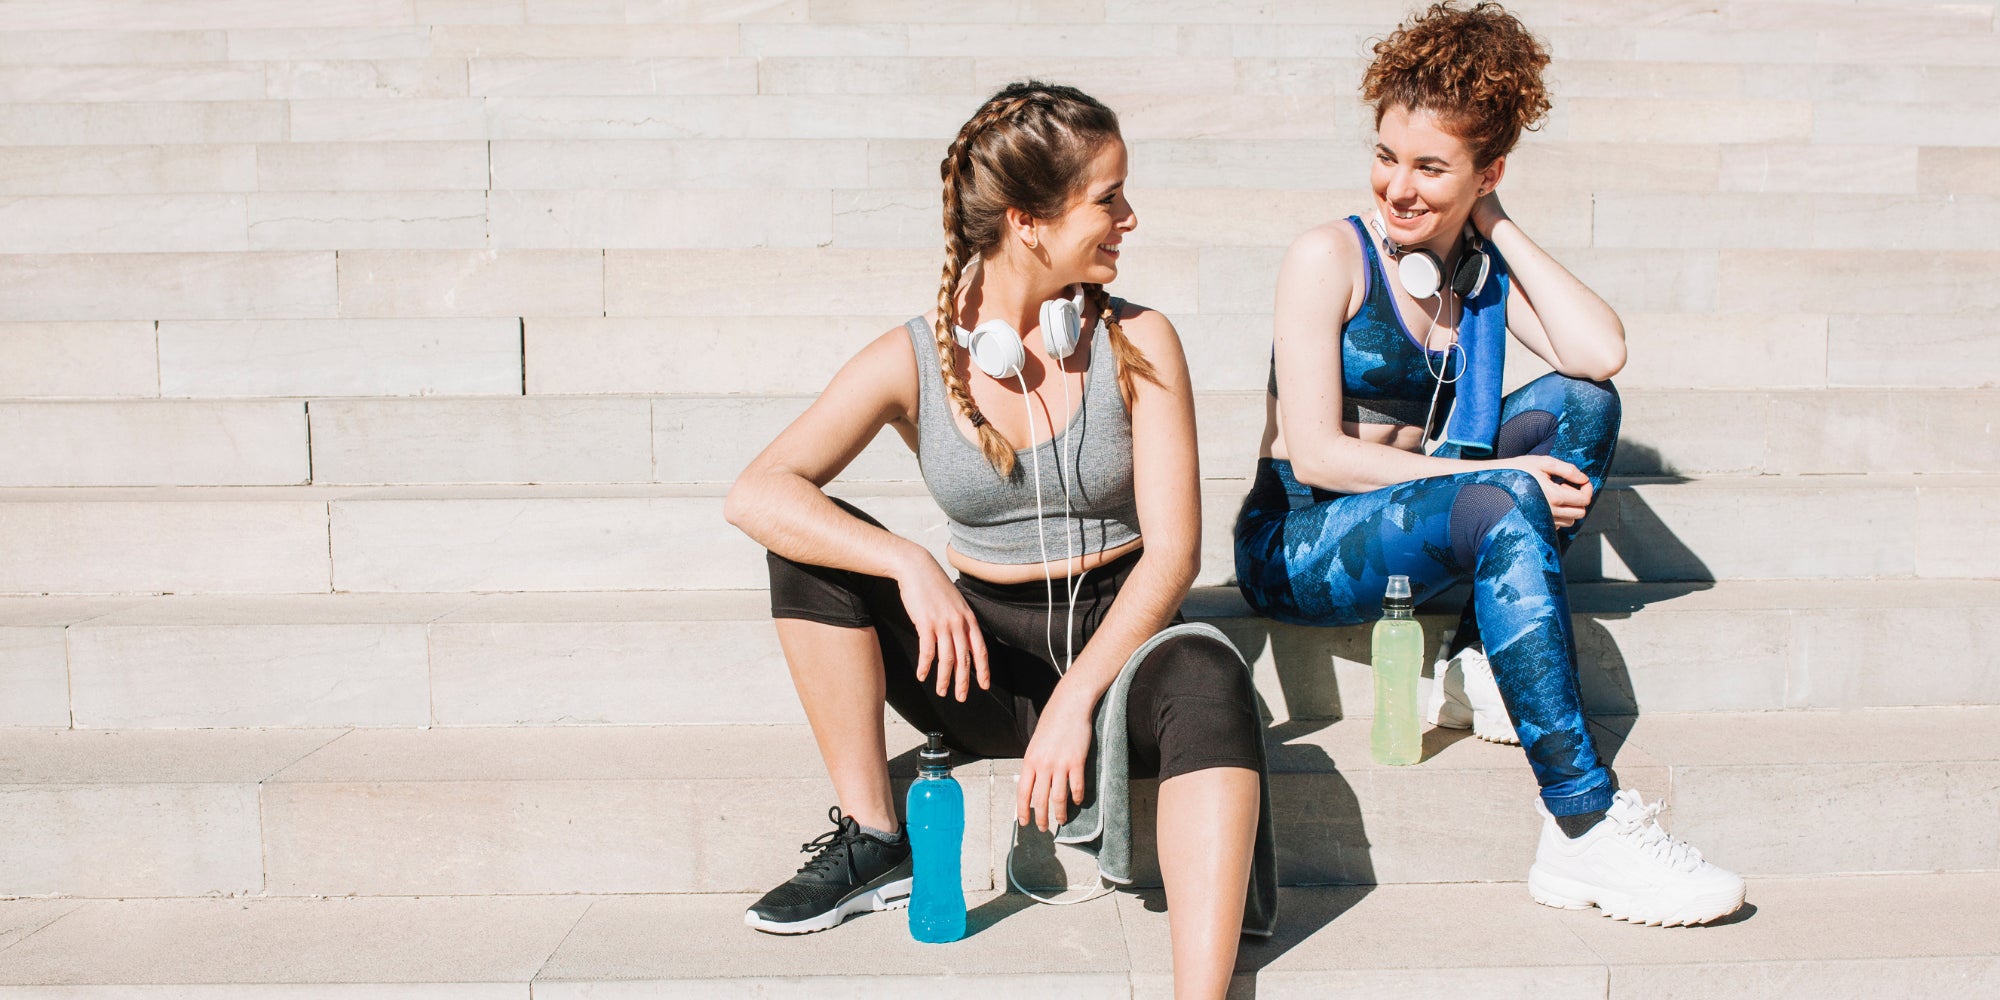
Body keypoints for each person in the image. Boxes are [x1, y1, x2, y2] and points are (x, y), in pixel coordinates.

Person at [726, 81, 1266, 995]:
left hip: (1121, 648)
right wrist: (907, 562)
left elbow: (1174, 554)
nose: (1128, 217)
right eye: (1107, 198)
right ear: (1028, 220)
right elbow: (757, 492)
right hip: (974, 659)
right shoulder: (917, 357)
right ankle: (874, 839)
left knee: (1213, 678)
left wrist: (1076, 701)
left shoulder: (1141, 341)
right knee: (811, 550)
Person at [1232, 2, 1745, 926]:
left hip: (1425, 519)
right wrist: (1479, 483)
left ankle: (1474, 655)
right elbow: (1317, 452)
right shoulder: (1329, 256)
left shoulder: (1479, 265)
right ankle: (1583, 825)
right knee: (1501, 487)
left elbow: (1600, 354)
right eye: (1387, 155)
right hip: (1300, 539)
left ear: (1487, 171)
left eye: (1432, 167)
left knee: (1585, 407)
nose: (1398, 186)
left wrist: (1493, 224)